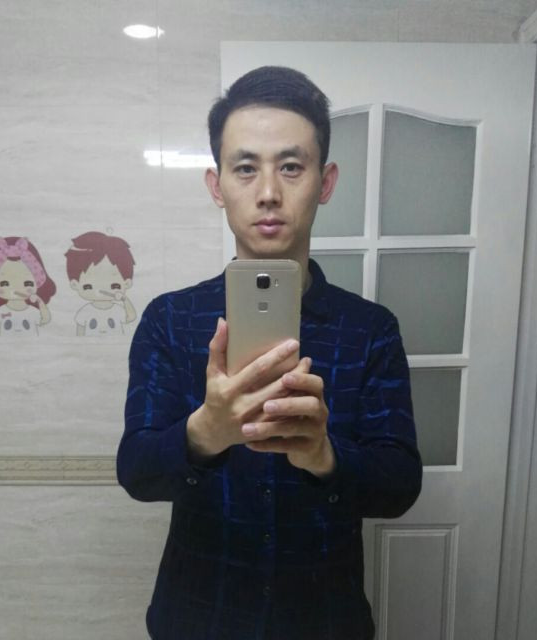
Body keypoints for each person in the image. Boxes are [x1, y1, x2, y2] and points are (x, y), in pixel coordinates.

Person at [117, 66, 422, 640]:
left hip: (324, 622)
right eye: (245, 168)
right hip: (197, 618)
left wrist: (326, 456)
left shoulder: (371, 330)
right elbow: (136, 472)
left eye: (291, 166)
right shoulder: (169, 320)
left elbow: (401, 486)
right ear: (217, 186)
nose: (268, 193)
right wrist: (204, 432)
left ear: (325, 182)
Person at [65, 231, 137, 336]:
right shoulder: (85, 311)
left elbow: (131, 317)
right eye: (88, 286)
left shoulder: (117, 310)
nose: (101, 289)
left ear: (127, 283)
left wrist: (125, 299)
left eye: (114, 285)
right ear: (75, 284)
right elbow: (80, 334)